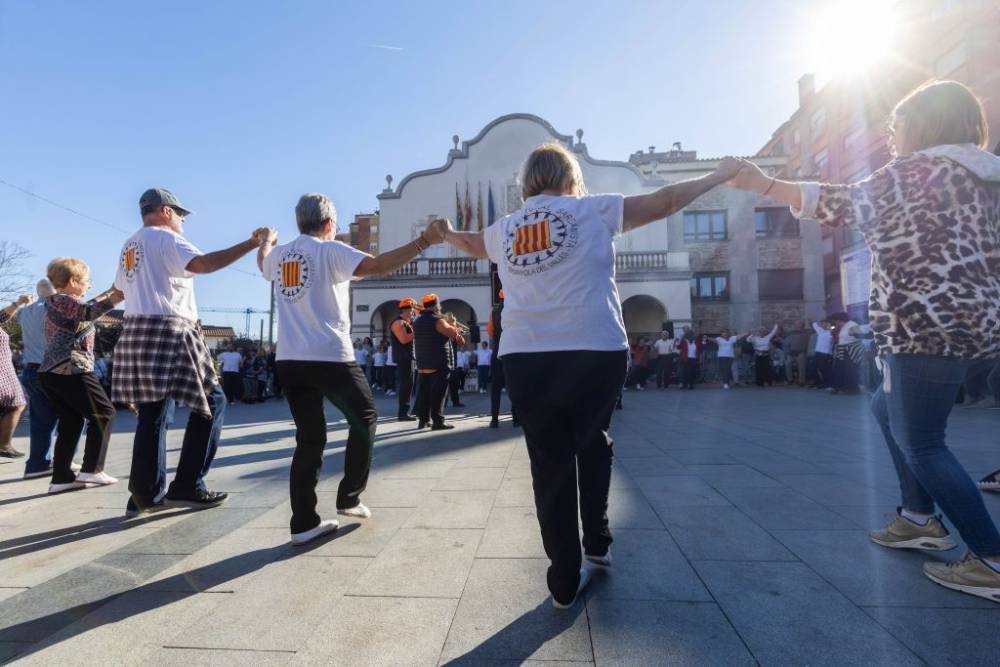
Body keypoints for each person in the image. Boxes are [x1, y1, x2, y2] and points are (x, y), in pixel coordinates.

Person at [728, 80, 1000, 601]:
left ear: (923, 124)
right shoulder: (986, 176)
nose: (892, 133)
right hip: (977, 325)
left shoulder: (916, 171)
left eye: (898, 124)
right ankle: (918, 516)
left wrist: (764, 185)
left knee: (922, 442)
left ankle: (989, 557)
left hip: (922, 323)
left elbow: (840, 201)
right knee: (883, 407)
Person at [441, 141, 742, 608]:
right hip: (593, 349)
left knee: (549, 462)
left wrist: (445, 232)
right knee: (593, 437)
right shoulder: (591, 211)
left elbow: (469, 242)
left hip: (526, 357)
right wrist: (715, 177)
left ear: (527, 185)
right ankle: (597, 542)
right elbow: (663, 202)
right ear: (570, 178)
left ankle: (564, 578)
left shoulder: (504, 229)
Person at [259, 194, 447, 545]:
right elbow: (376, 266)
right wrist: (424, 241)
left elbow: (262, 263)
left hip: (288, 359)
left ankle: (303, 523)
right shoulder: (330, 250)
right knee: (365, 416)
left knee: (309, 438)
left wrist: (267, 241)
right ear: (329, 223)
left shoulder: (281, 254)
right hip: (328, 355)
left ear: (300, 221)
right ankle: (349, 496)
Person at [114, 188, 268, 518]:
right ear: (166, 211)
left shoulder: (130, 245)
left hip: (136, 329)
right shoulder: (166, 238)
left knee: (153, 412)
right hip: (170, 328)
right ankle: (187, 485)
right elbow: (202, 263)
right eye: (180, 214)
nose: (183, 220)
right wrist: (251, 243)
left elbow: (118, 292)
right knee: (212, 402)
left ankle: (144, 494)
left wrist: (91, 309)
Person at [38, 257, 123, 493]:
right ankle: (92, 470)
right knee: (104, 413)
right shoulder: (66, 301)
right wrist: (116, 298)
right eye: (87, 281)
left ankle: (61, 478)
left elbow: (84, 307)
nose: (90, 285)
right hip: (71, 368)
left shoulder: (56, 301)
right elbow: (88, 311)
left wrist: (108, 292)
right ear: (74, 281)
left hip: (52, 372)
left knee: (71, 421)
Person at [15, 278, 62, 477]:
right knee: (73, 416)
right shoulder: (56, 309)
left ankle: (37, 464)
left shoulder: (24, 312)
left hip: (31, 370)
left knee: (40, 420)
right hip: (53, 368)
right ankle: (63, 460)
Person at [413, 293, 465, 430]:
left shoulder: (417, 322)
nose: (440, 307)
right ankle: (438, 421)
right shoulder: (438, 320)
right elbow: (453, 334)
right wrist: (453, 325)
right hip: (438, 362)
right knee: (438, 394)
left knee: (424, 394)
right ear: (436, 306)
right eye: (439, 304)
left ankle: (423, 421)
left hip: (422, 364)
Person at [0, 294, 34, 459]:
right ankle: (4, 445)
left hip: (5, 371)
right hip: (2, 373)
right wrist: (18, 303)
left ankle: (4, 444)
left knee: (13, 405)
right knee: (16, 403)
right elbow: (2, 316)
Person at [488, 292, 517, 428]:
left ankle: (494, 419)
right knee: (514, 387)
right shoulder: (514, 309)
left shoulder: (493, 311)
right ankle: (516, 419)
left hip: (497, 351)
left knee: (496, 388)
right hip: (511, 351)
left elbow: (490, 331)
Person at [389, 298, 417, 420]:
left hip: (408, 357)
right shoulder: (398, 323)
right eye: (412, 310)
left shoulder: (406, 323)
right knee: (406, 385)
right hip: (404, 358)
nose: (413, 313)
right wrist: (417, 331)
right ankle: (403, 414)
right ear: (406, 310)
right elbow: (404, 339)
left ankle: (405, 412)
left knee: (409, 385)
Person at [783, 321, 810, 386]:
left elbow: (814, 330)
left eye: (798, 324)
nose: (797, 325)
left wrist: (811, 322)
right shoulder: (791, 333)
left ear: (802, 325)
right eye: (796, 324)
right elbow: (786, 343)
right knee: (787, 363)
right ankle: (790, 379)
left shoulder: (806, 332)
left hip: (801, 352)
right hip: (792, 352)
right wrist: (786, 353)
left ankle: (801, 381)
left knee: (801, 363)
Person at [811, 320, 834, 388]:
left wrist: (830, 327)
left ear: (828, 324)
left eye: (825, 324)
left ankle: (827, 383)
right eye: (822, 324)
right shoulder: (820, 331)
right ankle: (818, 382)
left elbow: (833, 339)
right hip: (817, 352)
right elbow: (814, 323)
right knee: (812, 367)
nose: (823, 325)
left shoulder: (832, 332)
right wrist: (819, 321)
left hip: (826, 353)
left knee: (824, 369)